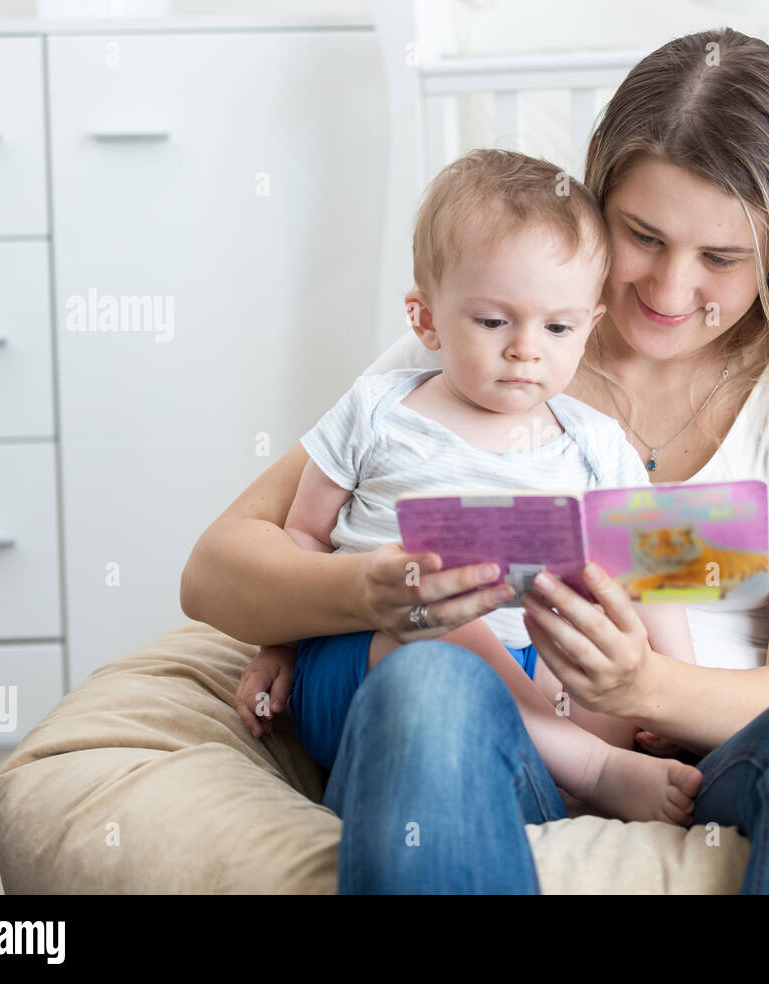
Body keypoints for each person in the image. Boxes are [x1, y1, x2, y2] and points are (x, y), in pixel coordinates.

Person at [181, 26, 769, 894]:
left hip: (695, 756)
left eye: (721, 259)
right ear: (595, 209)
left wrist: (647, 684)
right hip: (483, 728)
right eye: (643, 237)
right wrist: (354, 597)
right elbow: (215, 573)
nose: (668, 290)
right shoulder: (473, 347)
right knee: (429, 679)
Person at [235, 148, 702, 825]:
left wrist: (669, 693)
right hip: (375, 657)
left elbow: (657, 573)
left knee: (594, 649)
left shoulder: (598, 445)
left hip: (534, 664)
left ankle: (553, 788)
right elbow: (302, 535)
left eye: (557, 327)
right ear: (424, 319)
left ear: (588, 326)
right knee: (440, 628)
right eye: (493, 321)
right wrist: (276, 644)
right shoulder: (376, 413)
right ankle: (594, 772)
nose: (525, 348)